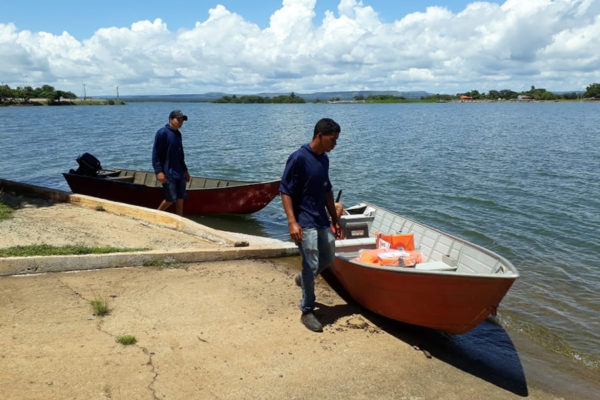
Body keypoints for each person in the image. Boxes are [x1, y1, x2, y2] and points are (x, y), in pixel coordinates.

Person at [280, 118, 342, 332]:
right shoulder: (298, 158)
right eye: (332, 140)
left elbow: (327, 190)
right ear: (319, 136)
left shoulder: (324, 159)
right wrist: (292, 223)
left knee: (328, 256)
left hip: (321, 219)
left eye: (336, 140)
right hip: (304, 221)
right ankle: (307, 310)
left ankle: (303, 278)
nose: (335, 144)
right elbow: (285, 190)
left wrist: (334, 218)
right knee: (311, 262)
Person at [152, 109, 190, 216]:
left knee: (181, 197)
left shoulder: (178, 134)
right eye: (178, 120)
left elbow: (181, 155)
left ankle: (180, 219)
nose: (181, 122)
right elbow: (156, 155)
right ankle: (155, 216)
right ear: (170, 119)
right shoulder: (162, 133)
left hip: (179, 171)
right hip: (168, 172)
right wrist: (159, 172)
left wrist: (185, 170)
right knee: (171, 198)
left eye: (182, 120)